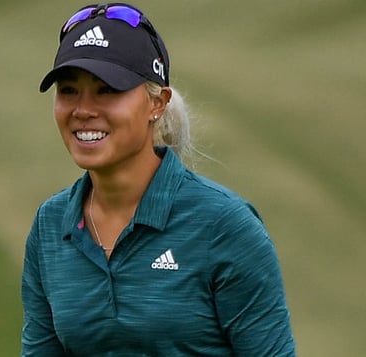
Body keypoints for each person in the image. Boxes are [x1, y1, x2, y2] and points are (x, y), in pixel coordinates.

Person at [20, 3, 295, 356]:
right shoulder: (50, 225)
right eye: (69, 90)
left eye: (107, 90)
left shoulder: (225, 225)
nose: (83, 110)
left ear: (157, 104)